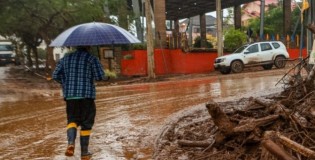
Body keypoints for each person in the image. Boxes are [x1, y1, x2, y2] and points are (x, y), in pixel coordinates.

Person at [53, 46, 108, 160]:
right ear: (88, 46)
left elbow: (55, 75)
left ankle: (71, 143)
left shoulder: (65, 58)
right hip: (86, 96)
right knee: (86, 123)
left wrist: (65, 82)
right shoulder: (92, 58)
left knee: (72, 120)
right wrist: (105, 76)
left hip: (71, 96)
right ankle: (84, 153)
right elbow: (99, 76)